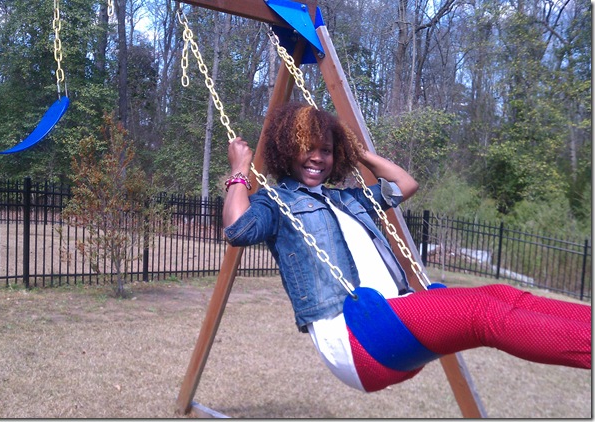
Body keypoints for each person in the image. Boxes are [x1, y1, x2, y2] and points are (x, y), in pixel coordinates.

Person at [222, 102, 592, 393]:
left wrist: (356, 152)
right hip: (355, 336)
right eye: (307, 148)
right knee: (483, 313)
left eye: (327, 150)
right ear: (287, 150)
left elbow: (404, 185)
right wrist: (240, 169)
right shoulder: (278, 202)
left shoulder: (347, 199)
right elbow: (238, 228)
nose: (318, 157)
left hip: (394, 320)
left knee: (501, 295)